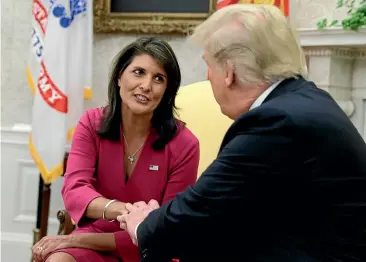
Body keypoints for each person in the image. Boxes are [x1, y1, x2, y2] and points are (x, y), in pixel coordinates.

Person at [118, 4, 366, 262]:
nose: (209, 77)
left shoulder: (277, 123)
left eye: (210, 67)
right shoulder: (304, 100)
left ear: (229, 73)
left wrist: (142, 224)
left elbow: (199, 209)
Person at [31, 36, 200, 262]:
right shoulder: (91, 123)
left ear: (167, 90)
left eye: (158, 78)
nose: (146, 86)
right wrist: (128, 213)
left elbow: (167, 227)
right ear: (120, 77)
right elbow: (75, 191)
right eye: (139, 72)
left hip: (150, 248)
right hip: (95, 239)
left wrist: (74, 239)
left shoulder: (185, 144)